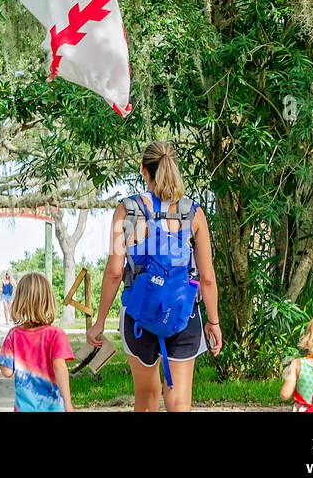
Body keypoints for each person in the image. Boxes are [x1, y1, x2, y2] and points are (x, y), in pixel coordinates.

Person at [87, 141, 222, 411]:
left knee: (147, 398)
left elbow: (115, 272)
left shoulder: (126, 210)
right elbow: (206, 277)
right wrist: (213, 321)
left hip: (139, 316)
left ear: (143, 170)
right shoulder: (193, 213)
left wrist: (99, 321)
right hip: (184, 316)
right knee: (179, 401)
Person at [0, 272, 75, 412]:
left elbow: (6, 371)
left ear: (19, 301)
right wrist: (68, 403)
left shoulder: (14, 335)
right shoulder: (56, 335)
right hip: (53, 408)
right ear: (48, 301)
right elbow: (59, 367)